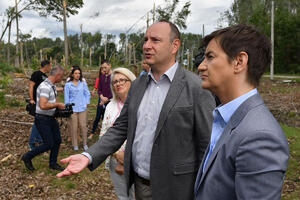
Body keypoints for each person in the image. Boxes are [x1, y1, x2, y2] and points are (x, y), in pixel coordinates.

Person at [57, 20, 215, 200]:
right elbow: (120, 128)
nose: (147, 46)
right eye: (145, 40)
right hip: (140, 185)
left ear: (175, 46)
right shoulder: (138, 85)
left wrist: (204, 192)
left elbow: (207, 146)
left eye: (155, 40)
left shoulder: (197, 88)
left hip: (178, 189)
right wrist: (89, 155)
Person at [194, 25, 289, 199]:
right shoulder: (227, 118)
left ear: (239, 62)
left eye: (210, 57)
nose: (201, 66)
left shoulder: (259, 136)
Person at [100, 67, 136, 200]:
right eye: (115, 82)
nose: (118, 83)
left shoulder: (142, 103)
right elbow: (104, 134)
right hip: (117, 159)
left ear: (132, 81)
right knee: (124, 195)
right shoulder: (110, 106)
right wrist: (116, 154)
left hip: (139, 160)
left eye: (122, 80)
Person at [22, 65, 66, 172]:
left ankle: (53, 163)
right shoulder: (45, 87)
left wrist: (67, 88)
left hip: (50, 118)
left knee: (57, 140)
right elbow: (43, 105)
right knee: (48, 144)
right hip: (42, 119)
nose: (62, 79)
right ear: (57, 75)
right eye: (62, 77)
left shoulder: (51, 85)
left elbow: (56, 89)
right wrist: (57, 104)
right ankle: (27, 157)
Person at [64, 66, 91, 151]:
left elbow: (87, 94)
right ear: (72, 74)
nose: (77, 75)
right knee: (74, 127)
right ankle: (75, 145)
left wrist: (86, 103)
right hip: (73, 109)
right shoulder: (68, 85)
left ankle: (85, 143)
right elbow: (66, 97)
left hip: (82, 108)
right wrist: (68, 107)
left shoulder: (83, 83)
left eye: (79, 73)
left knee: (83, 126)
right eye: (75, 73)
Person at [28, 60, 52, 150]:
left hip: (44, 102)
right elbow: (31, 86)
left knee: (42, 121)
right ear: (46, 66)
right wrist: (31, 99)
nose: (51, 68)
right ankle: (32, 142)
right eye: (50, 65)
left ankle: (40, 140)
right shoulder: (36, 74)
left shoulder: (46, 77)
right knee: (38, 121)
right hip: (37, 102)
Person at [89, 60, 113, 139]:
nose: (104, 69)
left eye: (105, 67)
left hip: (110, 101)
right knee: (97, 116)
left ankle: (108, 134)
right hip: (102, 99)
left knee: (108, 117)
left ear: (110, 66)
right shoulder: (102, 77)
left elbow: (114, 91)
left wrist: (107, 99)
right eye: (102, 67)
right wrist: (101, 97)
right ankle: (92, 132)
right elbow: (99, 89)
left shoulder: (113, 77)